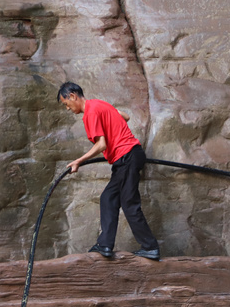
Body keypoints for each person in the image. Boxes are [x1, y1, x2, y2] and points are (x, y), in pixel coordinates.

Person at [57, 82, 160, 260]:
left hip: (127, 156)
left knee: (129, 203)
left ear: (72, 96)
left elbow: (101, 144)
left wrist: (78, 161)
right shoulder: (99, 104)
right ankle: (105, 245)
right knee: (109, 197)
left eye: (66, 103)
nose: (67, 108)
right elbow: (125, 116)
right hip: (128, 157)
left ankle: (149, 247)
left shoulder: (90, 112)